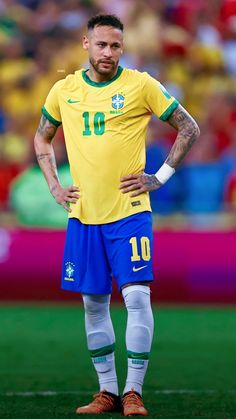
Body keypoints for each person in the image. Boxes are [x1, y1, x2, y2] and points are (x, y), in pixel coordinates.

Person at [34, 14, 200, 416]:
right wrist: (55, 186)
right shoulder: (64, 89)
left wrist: (159, 177)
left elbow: (188, 127)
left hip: (129, 212)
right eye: (102, 44)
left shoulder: (140, 84)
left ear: (122, 48)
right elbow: (42, 135)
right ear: (85, 43)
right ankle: (107, 391)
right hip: (84, 214)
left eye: (116, 46)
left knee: (137, 297)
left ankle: (133, 392)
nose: (109, 52)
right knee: (94, 303)